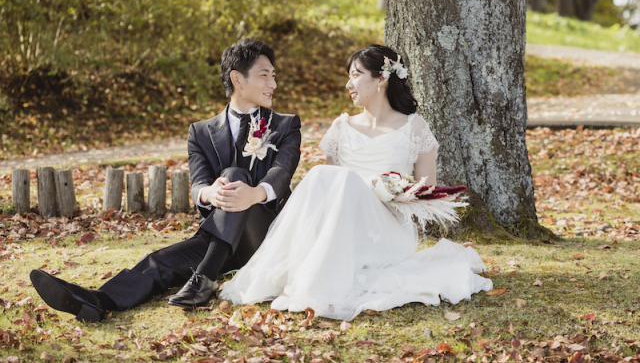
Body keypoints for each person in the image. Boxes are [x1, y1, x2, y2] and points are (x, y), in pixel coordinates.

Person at [29, 38, 302, 322]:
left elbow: (281, 174)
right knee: (160, 261)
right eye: (264, 76)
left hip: (266, 237)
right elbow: (199, 184)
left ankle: (205, 278)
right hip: (220, 240)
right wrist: (209, 194)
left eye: (274, 76)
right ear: (237, 79)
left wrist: (254, 194)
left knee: (235, 175)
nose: (273, 84)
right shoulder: (200, 132)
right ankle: (96, 300)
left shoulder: (286, 125)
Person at [220, 44, 491, 320]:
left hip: (388, 230)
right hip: (343, 227)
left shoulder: (414, 127)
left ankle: (319, 284)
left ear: (381, 79)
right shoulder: (341, 128)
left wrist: (392, 189)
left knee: (348, 179)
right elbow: (328, 195)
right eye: (348, 77)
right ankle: (304, 271)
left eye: (356, 75)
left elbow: (427, 194)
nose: (348, 84)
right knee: (322, 174)